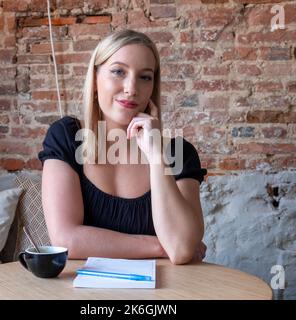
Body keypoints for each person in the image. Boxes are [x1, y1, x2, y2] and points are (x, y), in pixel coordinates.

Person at [38, 29, 207, 265]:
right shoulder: (66, 137)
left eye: (145, 77)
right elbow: (66, 240)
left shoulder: (178, 152)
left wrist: (156, 155)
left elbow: (179, 250)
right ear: (95, 80)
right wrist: (159, 245)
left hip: (161, 294)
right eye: (118, 72)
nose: (131, 88)